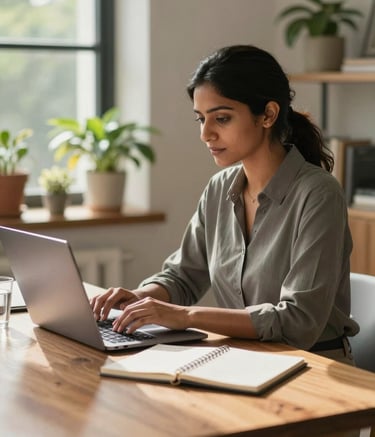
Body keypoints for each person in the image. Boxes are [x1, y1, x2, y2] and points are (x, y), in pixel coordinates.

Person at [91, 44, 359, 364]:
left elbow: (298, 320)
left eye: (221, 118)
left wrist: (185, 316)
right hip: (242, 359)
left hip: (313, 367)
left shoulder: (318, 194)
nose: (206, 133)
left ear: (268, 115)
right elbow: (183, 277)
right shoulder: (220, 188)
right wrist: (139, 298)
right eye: (200, 119)